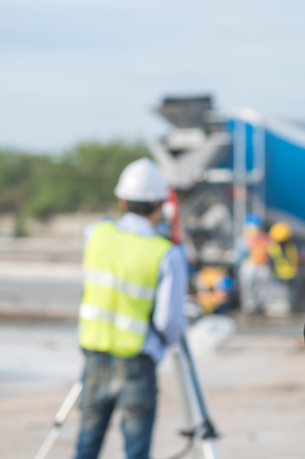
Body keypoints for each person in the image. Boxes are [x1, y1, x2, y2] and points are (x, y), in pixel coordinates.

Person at [74, 158, 188, 459]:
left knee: (86, 445)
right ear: (161, 204)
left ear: (122, 199)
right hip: (138, 363)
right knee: (136, 452)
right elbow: (169, 322)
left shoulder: (95, 233)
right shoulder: (166, 253)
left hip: (94, 357)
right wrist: (162, 349)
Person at [236, 213, 272, 314]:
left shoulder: (264, 238)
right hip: (249, 262)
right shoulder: (243, 239)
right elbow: (240, 253)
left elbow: (271, 251)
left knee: (262, 284)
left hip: (262, 264)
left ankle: (261, 305)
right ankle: (249, 306)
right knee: (248, 284)